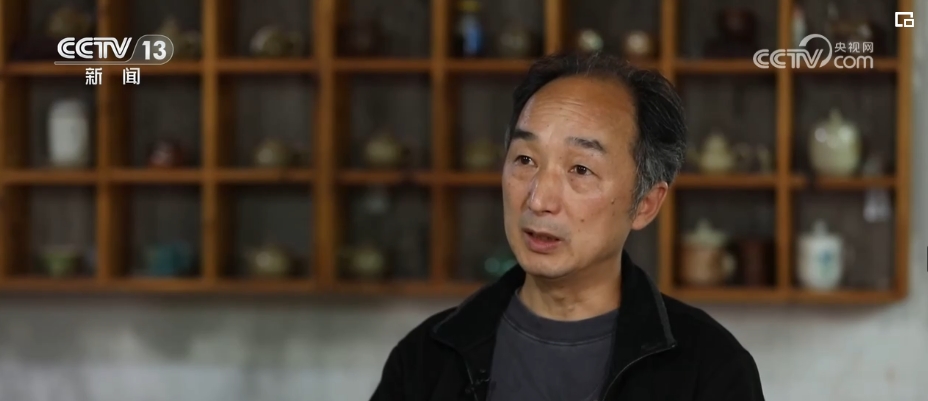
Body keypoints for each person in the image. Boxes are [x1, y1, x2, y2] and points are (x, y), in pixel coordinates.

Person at [370, 52, 765, 401]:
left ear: (645, 203)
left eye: (580, 169)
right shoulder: (426, 358)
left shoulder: (710, 370)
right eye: (525, 160)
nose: (538, 200)